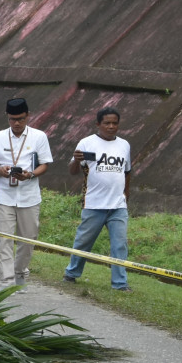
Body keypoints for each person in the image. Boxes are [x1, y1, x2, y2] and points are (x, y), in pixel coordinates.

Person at [0, 98, 52, 289]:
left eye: (21, 119)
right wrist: (0, 170)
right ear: (7, 117)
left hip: (29, 196)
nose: (17, 123)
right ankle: (6, 282)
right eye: (12, 119)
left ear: (28, 116)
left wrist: (30, 175)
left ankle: (19, 271)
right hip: (5, 196)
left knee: (28, 239)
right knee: (4, 239)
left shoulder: (39, 136)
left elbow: (45, 164)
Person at [64, 107, 132, 291]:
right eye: (107, 123)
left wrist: (126, 195)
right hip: (94, 203)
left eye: (114, 123)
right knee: (83, 242)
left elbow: (127, 172)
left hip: (118, 205)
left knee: (120, 245)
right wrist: (76, 160)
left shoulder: (124, 145)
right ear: (98, 124)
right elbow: (73, 171)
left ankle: (120, 283)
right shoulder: (86, 143)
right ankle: (71, 273)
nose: (111, 127)